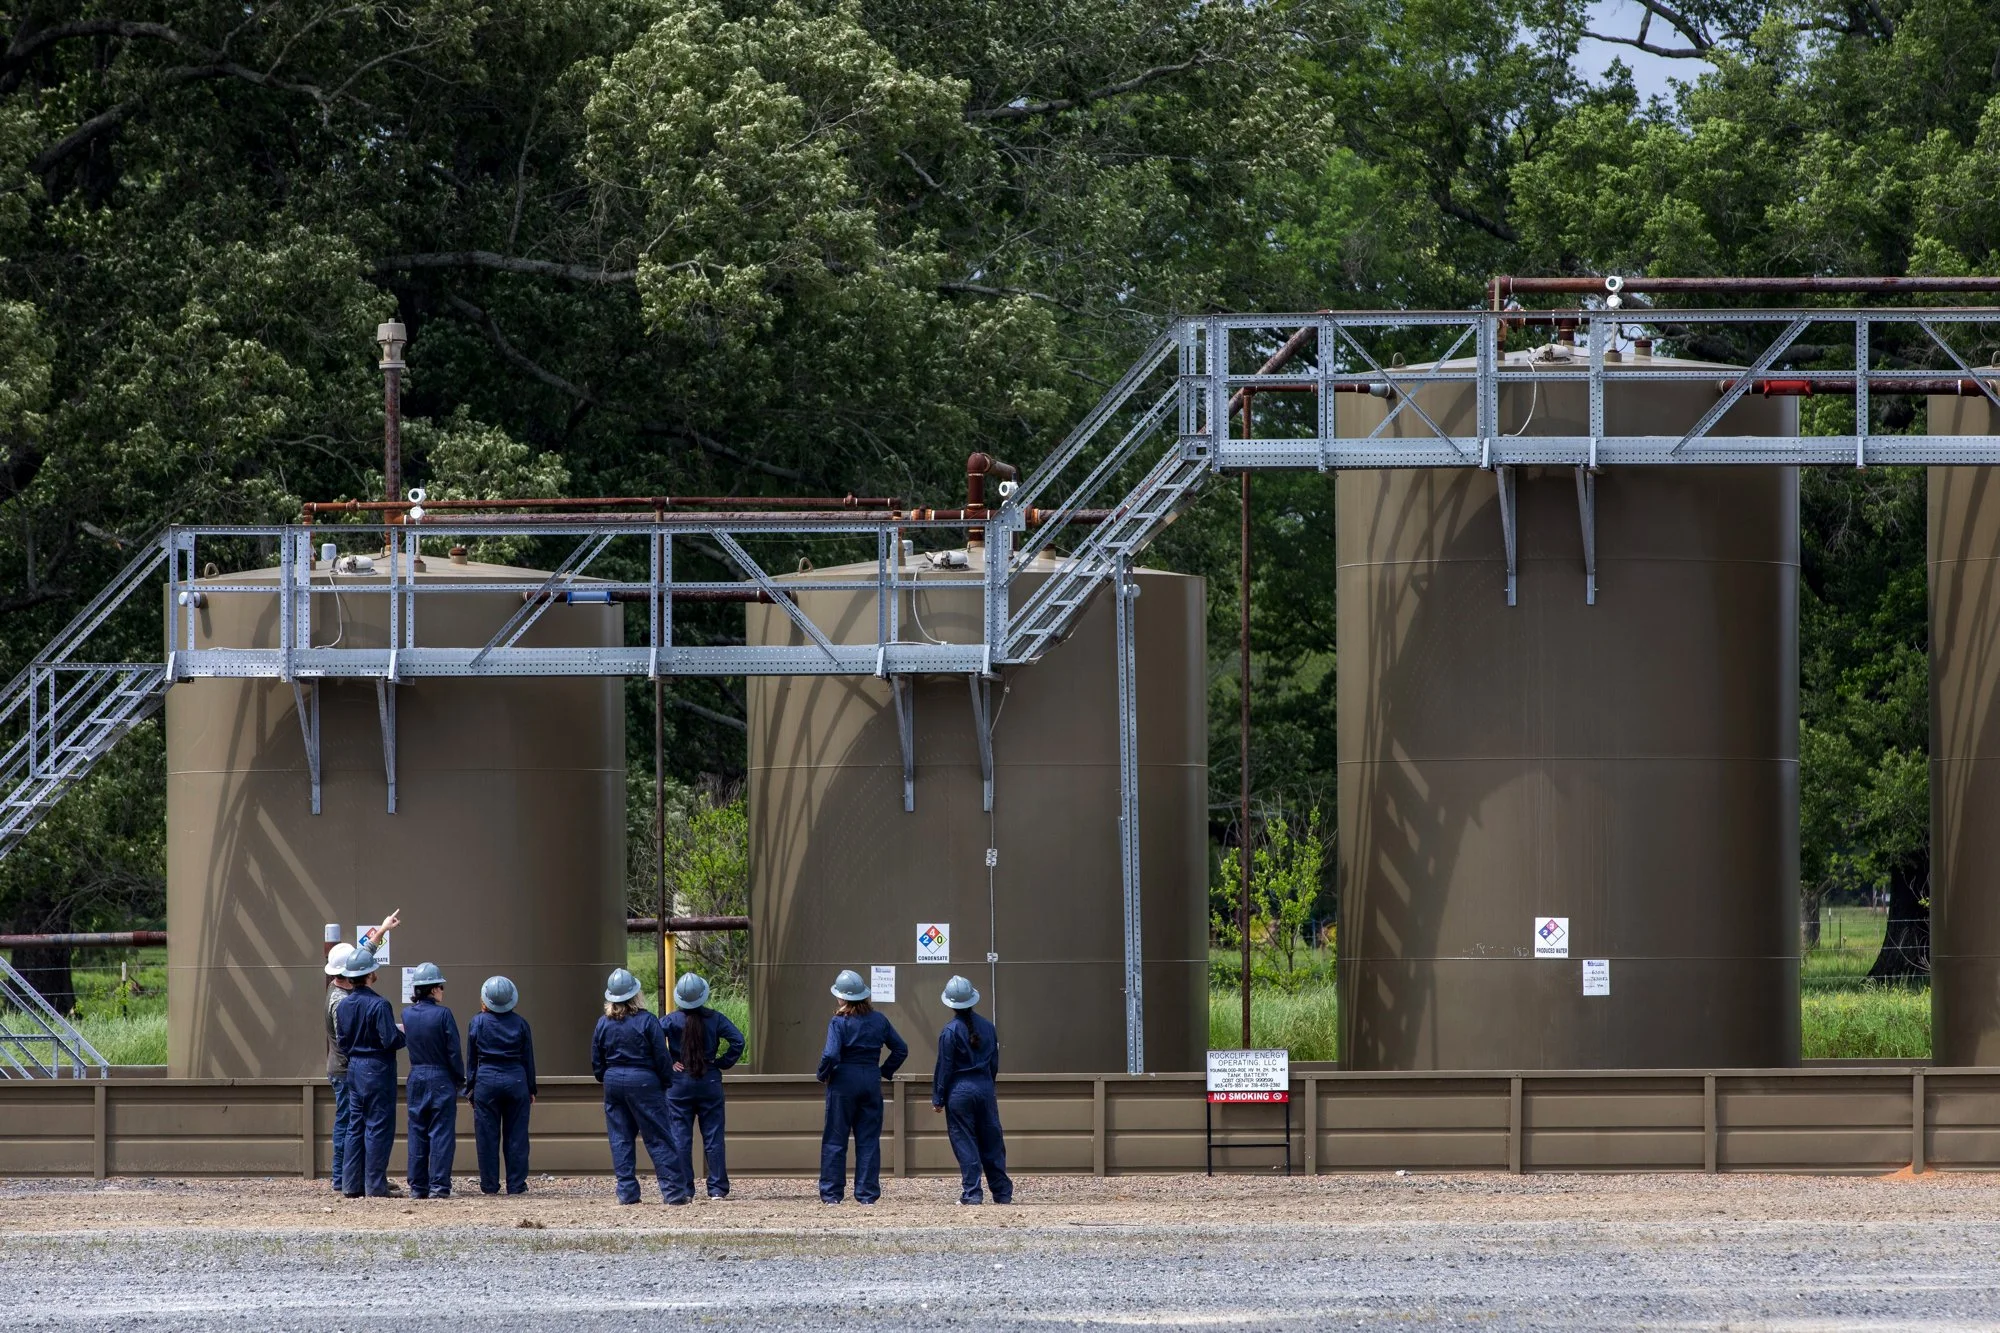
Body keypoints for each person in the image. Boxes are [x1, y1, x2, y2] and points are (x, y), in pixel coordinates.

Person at [320, 909, 399, 1193]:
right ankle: (343, 1178)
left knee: (354, 1124)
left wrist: (382, 929)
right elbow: (349, 1038)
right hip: (349, 1069)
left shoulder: (342, 988)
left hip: (349, 1068)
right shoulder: (340, 1001)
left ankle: (357, 1179)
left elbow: (361, 957)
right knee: (349, 1125)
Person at [816, 969, 907, 1205]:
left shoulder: (839, 1021)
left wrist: (822, 1074)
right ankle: (866, 1194)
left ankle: (832, 1194)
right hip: (870, 1079)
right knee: (868, 1138)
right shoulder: (879, 1020)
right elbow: (900, 1049)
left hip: (843, 1081)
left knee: (835, 1139)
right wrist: (884, 1071)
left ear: (842, 997)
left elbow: (831, 1054)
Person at [592, 967, 678, 1205]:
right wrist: (665, 1081)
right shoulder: (648, 1021)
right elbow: (662, 1056)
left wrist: (605, 1076)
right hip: (644, 1081)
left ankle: (627, 1193)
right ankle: (673, 1192)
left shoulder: (603, 1023)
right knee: (658, 1136)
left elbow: (596, 1059)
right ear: (635, 994)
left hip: (613, 1082)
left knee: (620, 1137)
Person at [661, 972, 745, 1203]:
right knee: (713, 1136)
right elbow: (738, 1040)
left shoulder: (670, 1020)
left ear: (679, 997)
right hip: (709, 1080)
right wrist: (722, 1063)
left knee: (680, 1136)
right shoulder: (716, 1019)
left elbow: (651, 1040)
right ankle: (717, 1189)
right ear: (703, 996)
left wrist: (669, 1062)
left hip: (679, 1082)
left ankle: (685, 1188)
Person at [931, 974, 1012, 1205]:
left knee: (965, 1140)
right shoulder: (989, 1027)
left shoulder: (950, 1031)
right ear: (973, 998)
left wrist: (938, 1096)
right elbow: (994, 1064)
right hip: (984, 1088)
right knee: (992, 1140)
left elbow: (944, 1067)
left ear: (949, 1002)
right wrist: (987, 1085)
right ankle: (1002, 1193)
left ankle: (972, 1193)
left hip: (959, 1091)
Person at [333, 944, 405, 1198]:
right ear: (370, 974)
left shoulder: (343, 1006)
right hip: (378, 1068)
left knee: (355, 1124)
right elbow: (389, 1040)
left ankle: (351, 1185)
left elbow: (342, 1041)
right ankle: (375, 1185)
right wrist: (402, 1034)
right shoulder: (380, 1005)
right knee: (378, 1126)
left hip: (354, 1068)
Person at [466, 975, 537, 1196]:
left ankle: (489, 1185)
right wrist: (531, 1088)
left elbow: (471, 1058)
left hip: (486, 1080)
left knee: (487, 1136)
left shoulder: (477, 1022)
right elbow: (528, 1059)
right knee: (517, 1135)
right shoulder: (521, 1023)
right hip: (516, 1079)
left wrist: (471, 1087)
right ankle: (516, 1185)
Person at [402, 961, 463, 1199]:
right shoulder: (444, 1014)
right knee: (441, 1133)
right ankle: (439, 1185)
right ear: (433, 989)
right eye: (441, 986)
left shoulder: (406, 1014)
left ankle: (418, 1187)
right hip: (440, 1076)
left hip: (416, 1074)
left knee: (417, 1130)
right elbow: (454, 1052)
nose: (443, 991)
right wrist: (460, 1078)